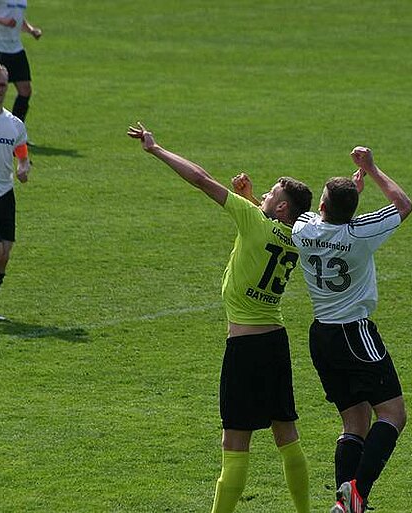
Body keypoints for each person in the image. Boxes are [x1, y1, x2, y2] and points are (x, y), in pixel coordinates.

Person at [127, 122, 313, 513]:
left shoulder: (253, 220)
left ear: (282, 207)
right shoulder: (297, 237)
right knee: (287, 434)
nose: (263, 194)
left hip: (244, 348)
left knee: (235, 445)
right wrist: (254, 199)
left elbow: (201, 179)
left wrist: (156, 149)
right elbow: (270, 226)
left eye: (271, 193)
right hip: (275, 343)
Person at [291, 146, 412, 513]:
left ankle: (345, 506)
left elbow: (321, 218)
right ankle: (359, 492)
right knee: (393, 414)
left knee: (354, 422)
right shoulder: (360, 234)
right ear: (353, 210)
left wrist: (347, 197)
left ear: (322, 206)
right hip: (354, 334)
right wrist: (371, 169)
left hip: (321, 337)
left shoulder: (303, 228)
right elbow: (403, 205)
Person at [0, 63, 29, 321]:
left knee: (3, 257)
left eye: (1, 85)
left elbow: (20, 148)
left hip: (5, 195)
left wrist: (23, 166)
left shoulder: (15, 124)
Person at [0, 0, 42, 126]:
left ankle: (15, 128)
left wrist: (31, 30)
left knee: (25, 90)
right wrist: (2, 21)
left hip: (16, 48)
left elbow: (18, 18)